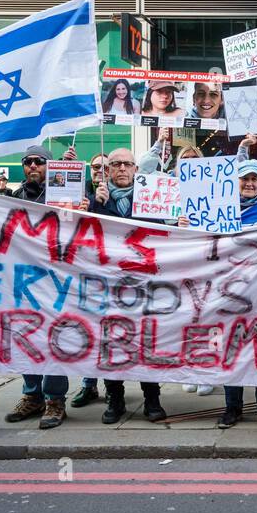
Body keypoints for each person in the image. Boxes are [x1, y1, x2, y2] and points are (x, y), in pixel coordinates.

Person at [84, 147, 170, 423]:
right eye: (116, 164)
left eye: (127, 164)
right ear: (106, 170)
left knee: (145, 341)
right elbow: (83, 237)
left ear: (136, 169)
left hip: (143, 283)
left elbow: (163, 233)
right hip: (107, 285)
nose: (122, 168)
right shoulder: (94, 198)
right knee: (112, 342)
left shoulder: (151, 197)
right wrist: (95, 206)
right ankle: (115, 399)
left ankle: (152, 399)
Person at [4, 144, 82, 428]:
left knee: (55, 338)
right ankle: (32, 396)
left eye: (39, 162)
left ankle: (55, 400)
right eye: (28, 162)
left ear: (51, 167)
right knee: (28, 339)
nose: (33, 166)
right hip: (25, 283)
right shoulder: (14, 197)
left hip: (58, 280)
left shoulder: (66, 196)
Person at [212, 158, 257, 429]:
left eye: (255, 179)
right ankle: (232, 408)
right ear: (236, 181)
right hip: (228, 291)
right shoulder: (219, 208)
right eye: (244, 179)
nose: (250, 183)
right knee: (231, 348)